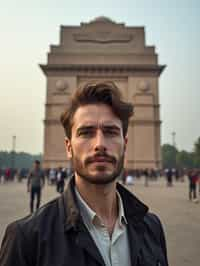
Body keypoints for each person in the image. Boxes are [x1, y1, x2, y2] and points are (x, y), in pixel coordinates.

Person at [0, 82, 168, 266]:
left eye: (110, 132)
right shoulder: (26, 240)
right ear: (68, 147)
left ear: (125, 144)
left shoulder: (152, 228)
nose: (99, 144)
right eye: (86, 132)